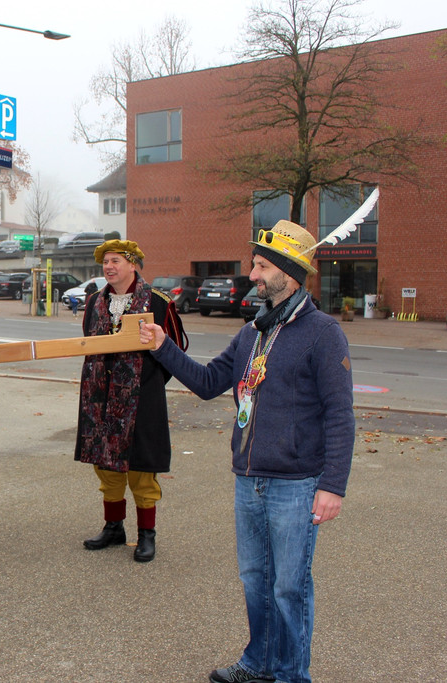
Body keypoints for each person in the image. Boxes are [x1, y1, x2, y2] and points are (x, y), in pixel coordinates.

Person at [141, 220, 355, 683]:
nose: (252, 274)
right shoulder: (252, 333)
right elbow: (207, 383)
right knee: (256, 582)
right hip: (249, 480)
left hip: (296, 485)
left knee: (289, 589)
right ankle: (259, 664)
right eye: (254, 265)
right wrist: (162, 346)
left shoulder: (323, 333)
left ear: (288, 274)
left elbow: (340, 414)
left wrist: (333, 486)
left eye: (261, 267)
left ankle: (292, 676)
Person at [74, 240, 186, 563]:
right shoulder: (94, 302)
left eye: (115, 261)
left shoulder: (159, 303)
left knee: (141, 469)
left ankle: (146, 534)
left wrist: (147, 383)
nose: (108, 267)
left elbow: (175, 351)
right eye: (105, 262)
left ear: (132, 264)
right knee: (106, 466)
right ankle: (113, 527)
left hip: (141, 400)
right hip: (99, 398)